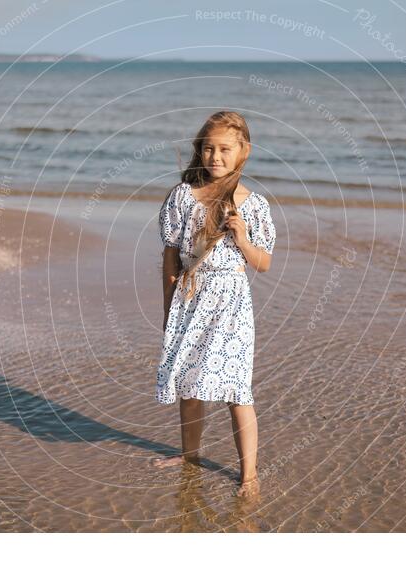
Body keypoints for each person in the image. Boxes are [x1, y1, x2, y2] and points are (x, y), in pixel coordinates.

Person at [154, 111, 276, 498]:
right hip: (190, 298)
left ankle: (249, 474)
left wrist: (242, 239)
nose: (215, 156)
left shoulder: (252, 205)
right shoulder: (182, 196)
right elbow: (171, 257)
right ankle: (190, 456)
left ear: (244, 152)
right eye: (208, 148)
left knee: (237, 389)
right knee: (189, 384)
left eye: (225, 149)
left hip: (231, 304)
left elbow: (264, 263)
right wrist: (168, 308)